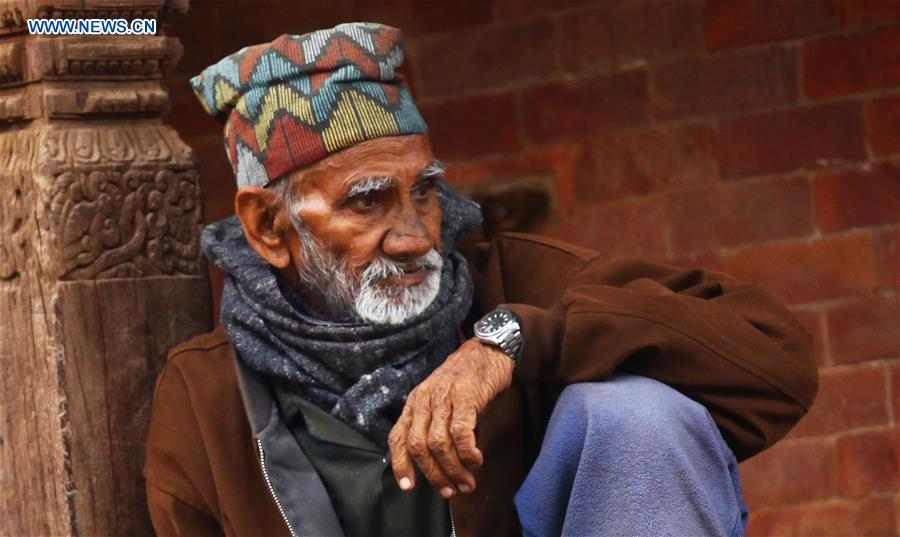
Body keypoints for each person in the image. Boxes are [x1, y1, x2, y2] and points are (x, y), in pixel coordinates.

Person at [144, 22, 817, 537]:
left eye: (425, 192)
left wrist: (512, 339)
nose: (415, 236)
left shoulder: (510, 277)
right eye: (367, 199)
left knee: (634, 414)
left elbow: (773, 352)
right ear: (268, 226)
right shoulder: (208, 400)